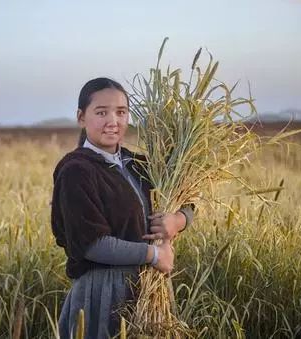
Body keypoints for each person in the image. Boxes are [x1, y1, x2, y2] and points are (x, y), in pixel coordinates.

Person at [50, 77, 195, 339]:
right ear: (81, 117)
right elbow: (93, 245)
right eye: (101, 112)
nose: (113, 121)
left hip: (150, 290)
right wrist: (153, 255)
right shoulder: (76, 171)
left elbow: (187, 199)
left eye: (121, 112)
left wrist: (178, 220)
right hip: (103, 293)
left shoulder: (137, 163)